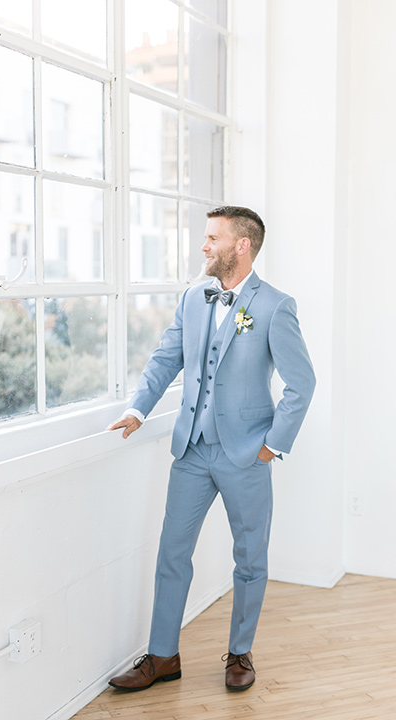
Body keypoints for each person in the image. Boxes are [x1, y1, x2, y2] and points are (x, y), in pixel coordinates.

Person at [107, 206, 315, 692]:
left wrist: (270, 447)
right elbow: (167, 358)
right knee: (172, 553)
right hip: (192, 451)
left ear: (241, 246)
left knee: (249, 558)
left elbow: (301, 385)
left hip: (247, 454)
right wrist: (138, 409)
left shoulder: (275, 306)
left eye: (211, 238)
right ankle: (163, 657)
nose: (203, 246)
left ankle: (239, 653)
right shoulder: (193, 298)